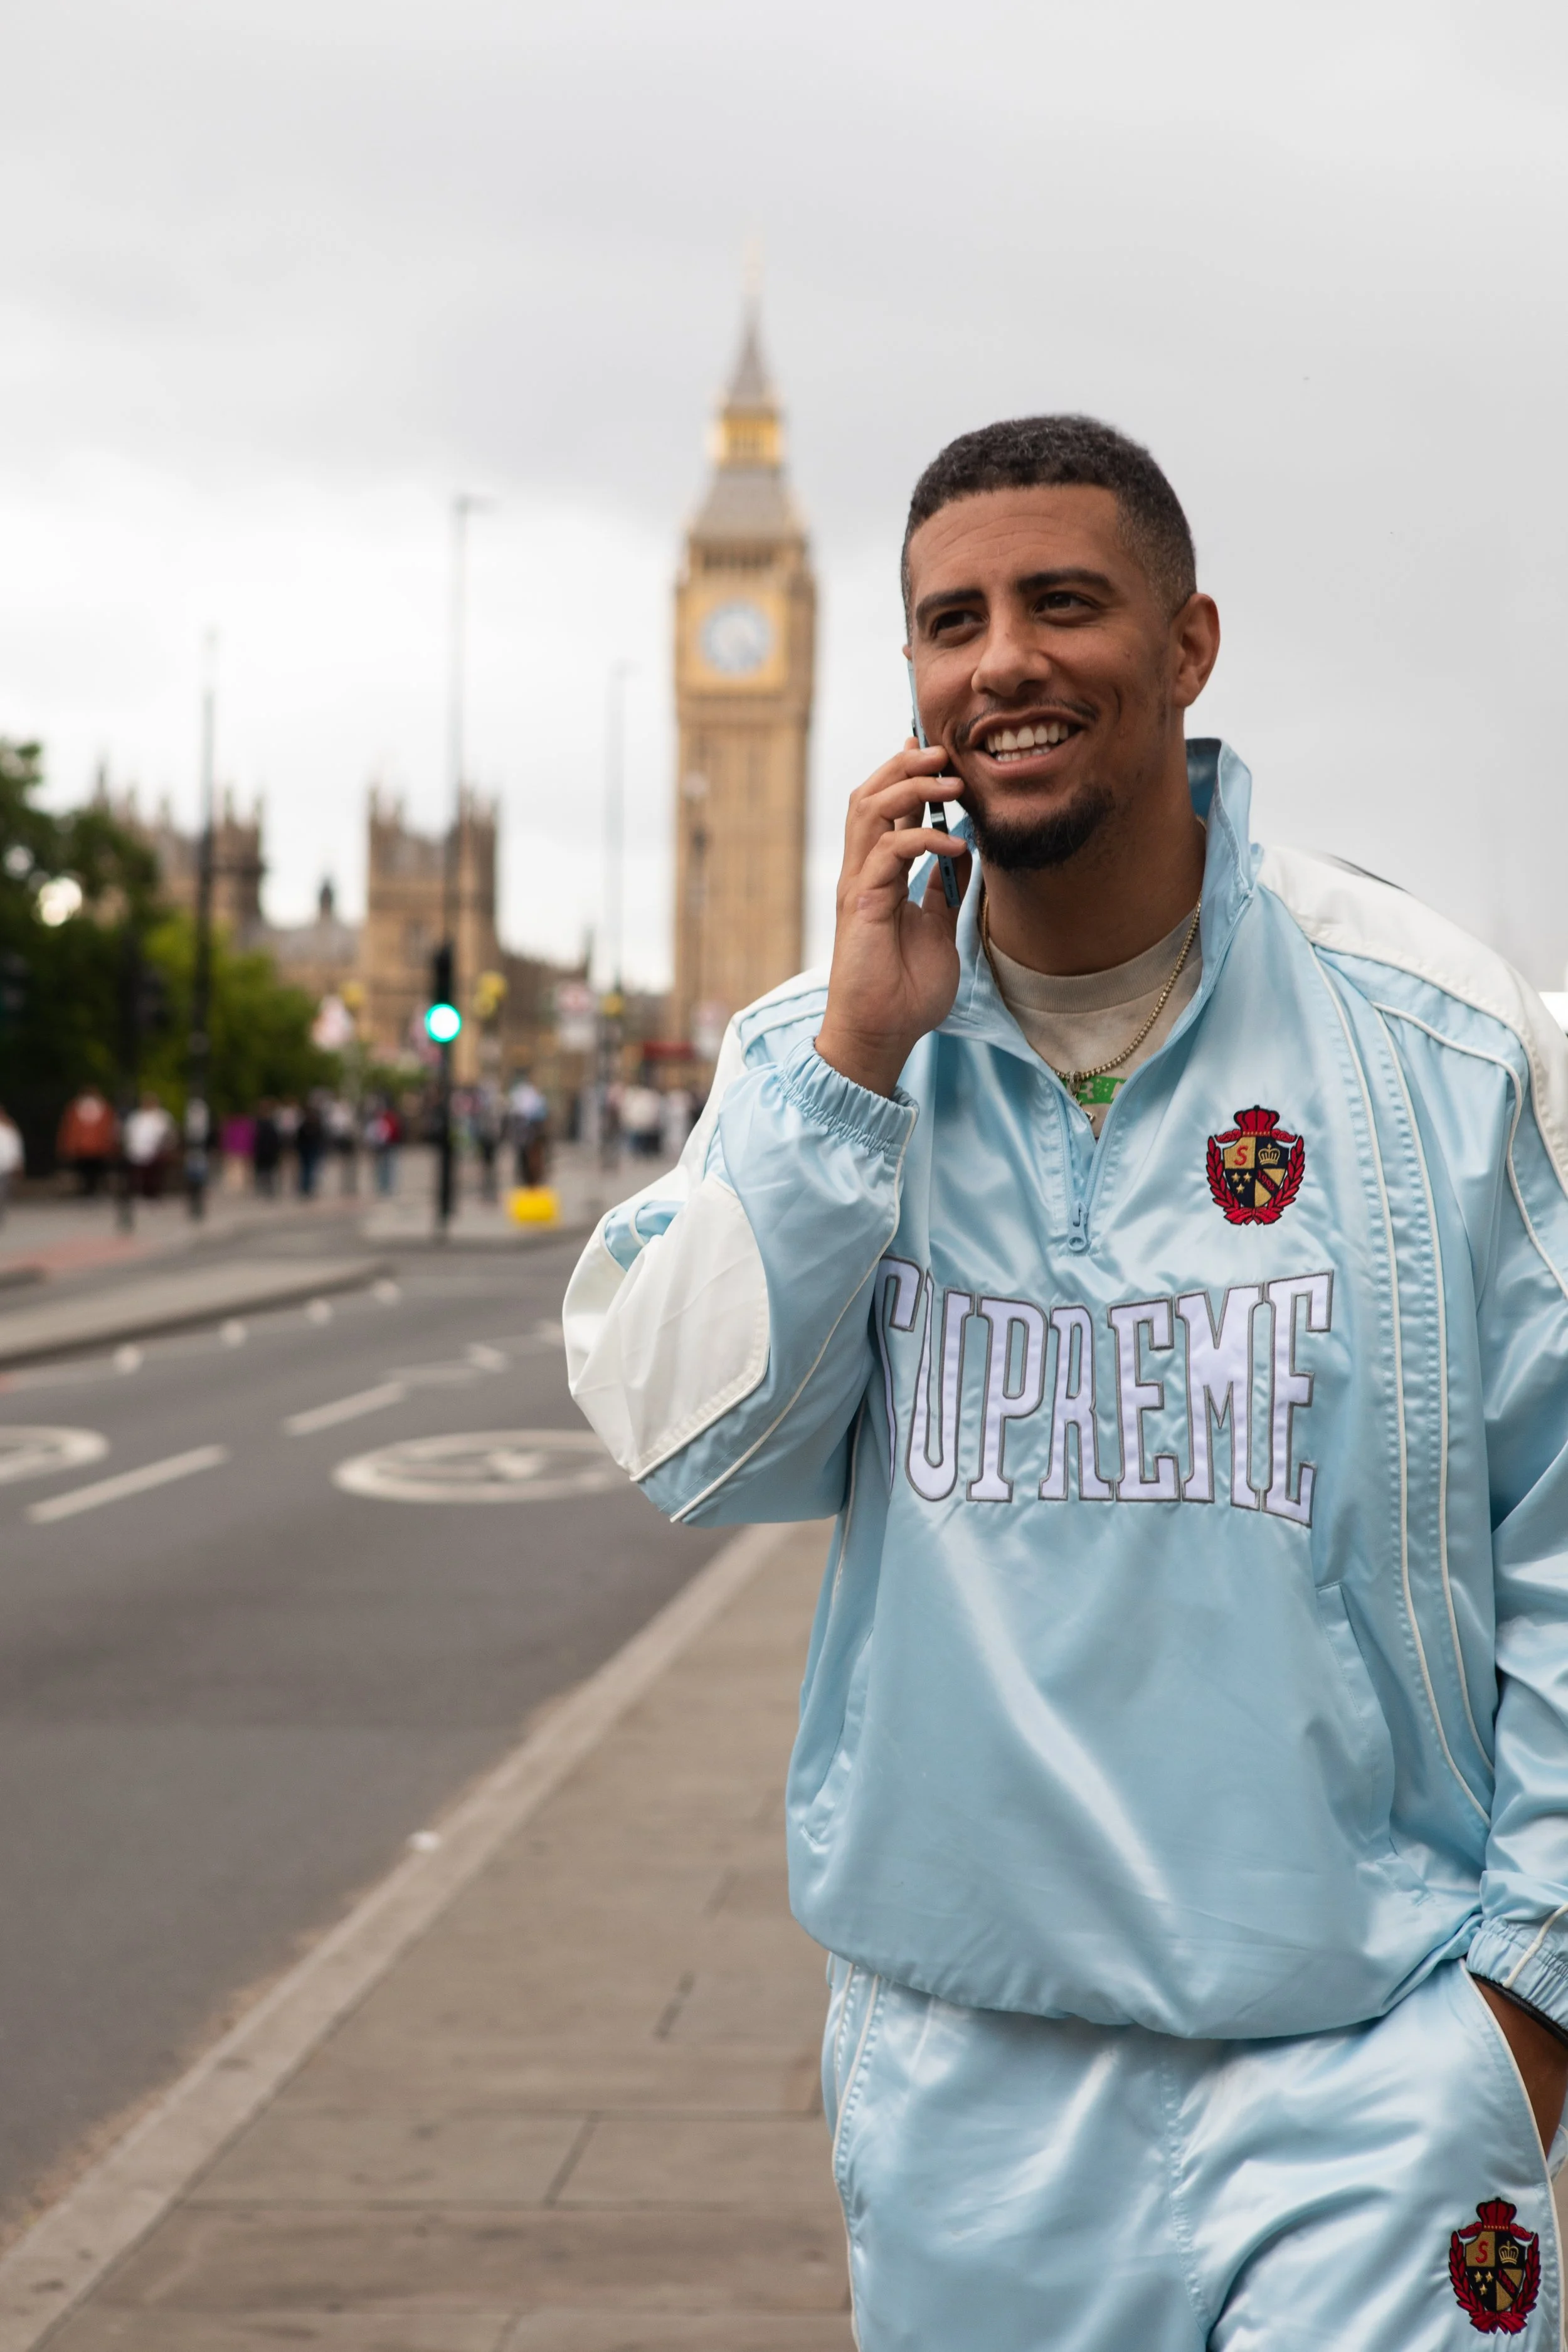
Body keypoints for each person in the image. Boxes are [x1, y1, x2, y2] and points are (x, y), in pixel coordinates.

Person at [565, 416, 1568, 2348]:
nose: (998, 657)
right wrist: (853, 1064)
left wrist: (1522, 1998)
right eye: (949, 619)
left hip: (1368, 2071)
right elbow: (696, 1449)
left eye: (1060, 602)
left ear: (1185, 646)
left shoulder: (1440, 1041)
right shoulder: (826, 1057)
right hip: (971, 2100)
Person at [56, 1089, 117, 1195]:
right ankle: (87, 1188)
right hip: (83, 1149)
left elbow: (109, 1128)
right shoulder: (76, 1109)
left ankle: (93, 1187)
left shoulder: (103, 1108)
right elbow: (70, 1128)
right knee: (84, 1170)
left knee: (96, 1170)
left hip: (96, 1150)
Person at [122, 1093, 174, 1199]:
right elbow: (128, 1133)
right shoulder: (136, 1117)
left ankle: (153, 1192)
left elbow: (168, 1135)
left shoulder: (162, 1117)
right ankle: (139, 1191)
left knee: (155, 1168)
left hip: (157, 1151)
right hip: (137, 1150)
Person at [508, 1073, 549, 1187]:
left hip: (530, 1137)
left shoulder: (531, 1098)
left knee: (529, 1158)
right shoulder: (528, 1098)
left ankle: (530, 1179)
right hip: (528, 1138)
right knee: (525, 1159)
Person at [0, 1102, 22, 1221]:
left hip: (5, 1167)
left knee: (2, 1192)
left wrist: (16, 1162)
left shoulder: (8, 1129)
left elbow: (14, 1146)